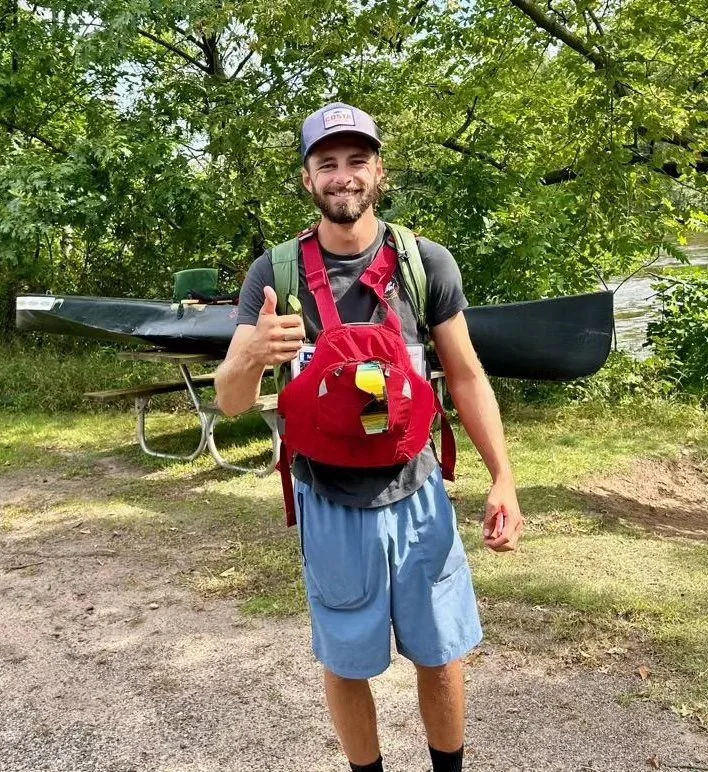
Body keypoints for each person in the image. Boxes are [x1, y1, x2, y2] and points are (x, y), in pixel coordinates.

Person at [214, 103, 524, 772]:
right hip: (328, 501)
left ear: (379, 171)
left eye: (357, 161)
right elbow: (232, 402)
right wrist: (251, 356)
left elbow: (466, 378)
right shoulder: (275, 276)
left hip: (418, 496)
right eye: (327, 163)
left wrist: (503, 476)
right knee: (347, 659)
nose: (343, 176)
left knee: (441, 654)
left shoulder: (425, 263)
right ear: (307, 179)